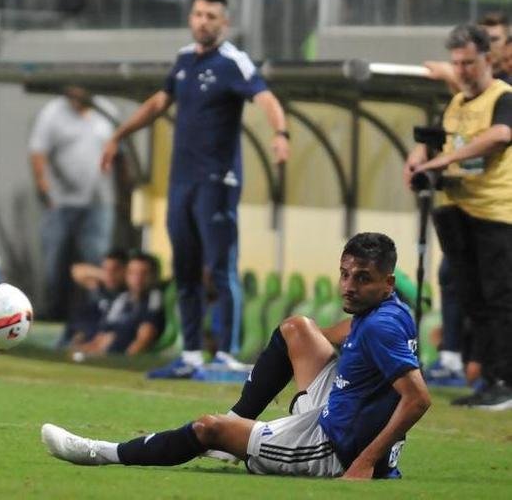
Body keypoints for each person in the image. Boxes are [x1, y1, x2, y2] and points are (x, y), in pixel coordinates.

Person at [43, 233, 432, 480]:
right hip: (341, 411)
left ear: (387, 282)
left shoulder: (381, 327)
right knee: (297, 328)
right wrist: (306, 346)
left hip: (333, 448)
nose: (348, 286)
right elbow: (342, 336)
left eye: (361, 277)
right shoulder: (388, 308)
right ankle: (240, 424)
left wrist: (365, 462)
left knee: (206, 429)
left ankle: (101, 453)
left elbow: (418, 399)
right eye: (345, 274)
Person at [102, 0, 289, 378]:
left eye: (211, 16)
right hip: (181, 182)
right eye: (198, 14)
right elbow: (159, 103)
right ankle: (189, 353)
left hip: (217, 181)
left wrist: (281, 133)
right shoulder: (185, 59)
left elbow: (266, 97)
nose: (203, 21)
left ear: (225, 23)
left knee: (220, 269)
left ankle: (226, 354)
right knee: (184, 269)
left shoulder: (233, 62)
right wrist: (119, 134)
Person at [407, 24, 512, 409]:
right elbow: (438, 137)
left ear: (487, 59)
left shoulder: (504, 96)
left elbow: (500, 134)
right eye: (457, 64)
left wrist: (445, 158)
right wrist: (419, 156)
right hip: (457, 211)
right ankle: (488, 379)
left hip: (496, 213)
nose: (463, 70)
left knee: (500, 298)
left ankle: (506, 381)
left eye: (469, 62)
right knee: (472, 299)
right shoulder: (457, 104)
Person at [29, 86, 116, 321]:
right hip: (61, 201)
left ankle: (97, 313)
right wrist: (45, 189)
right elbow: (38, 152)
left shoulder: (105, 111)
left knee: (97, 258)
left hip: (99, 201)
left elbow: (118, 152)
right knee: (54, 260)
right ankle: (55, 312)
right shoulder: (53, 112)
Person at [69, 252, 165, 358]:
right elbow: (102, 337)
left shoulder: (154, 298)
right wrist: (80, 352)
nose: (138, 278)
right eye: (132, 273)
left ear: (154, 276)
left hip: (119, 360)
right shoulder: (122, 299)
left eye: (144, 273)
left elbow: (144, 337)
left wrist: (124, 362)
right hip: (102, 356)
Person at [63, 249, 128, 347]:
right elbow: (76, 271)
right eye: (106, 269)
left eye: (115, 269)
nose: (110, 273)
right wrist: (106, 275)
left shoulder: (128, 293)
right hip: (76, 330)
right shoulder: (101, 287)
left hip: (98, 336)